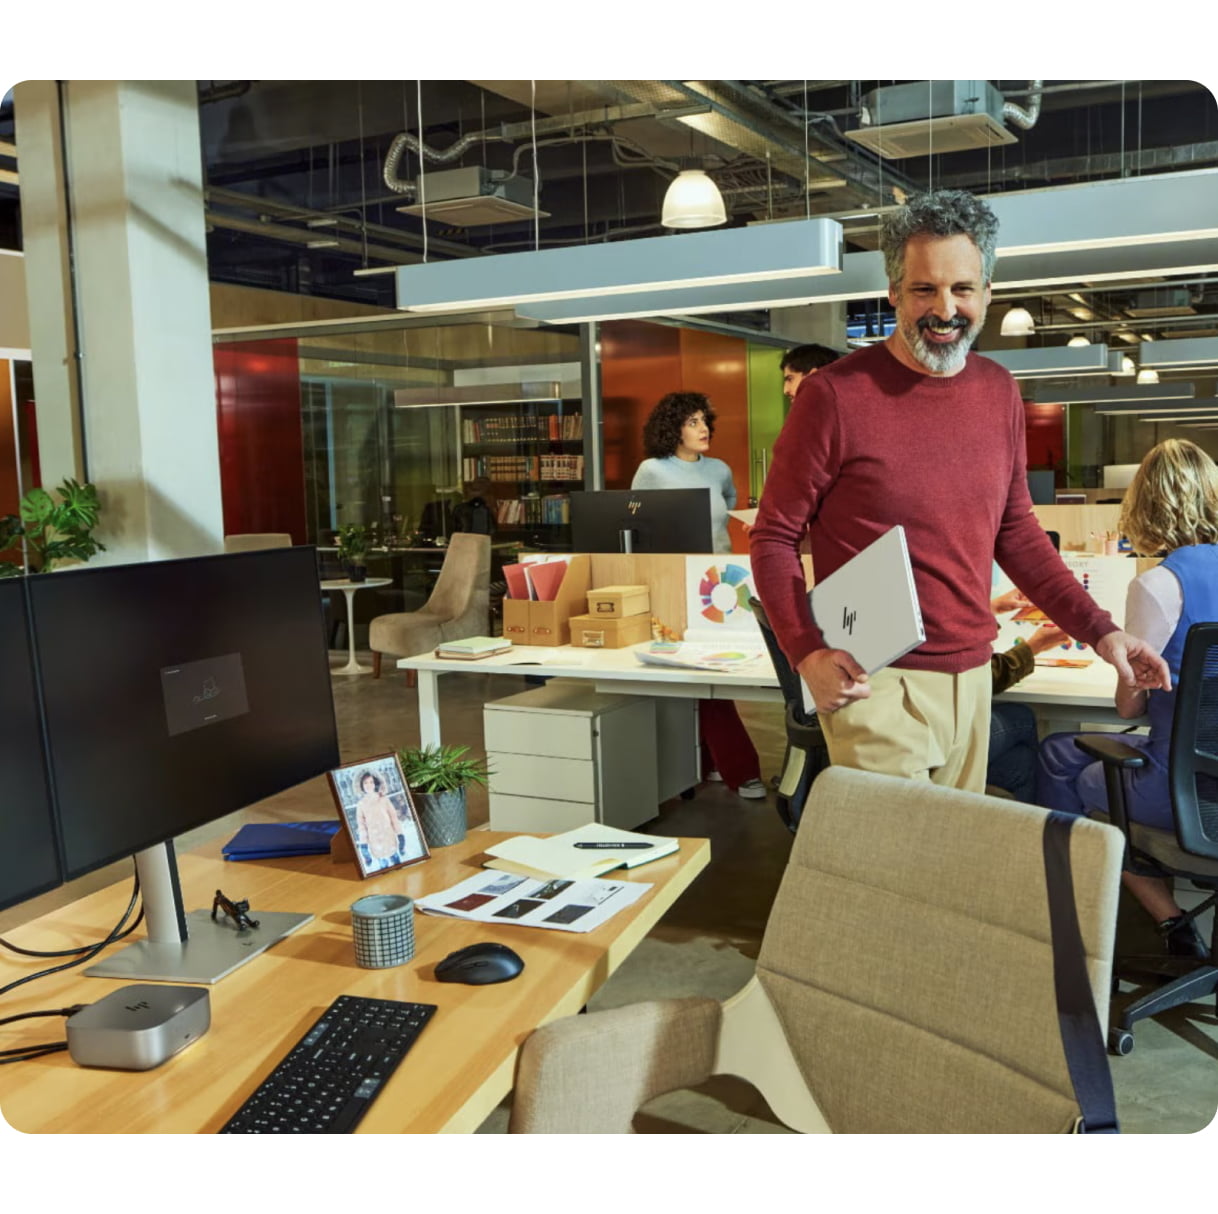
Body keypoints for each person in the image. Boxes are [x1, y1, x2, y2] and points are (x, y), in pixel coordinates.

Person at [749, 187, 1170, 793]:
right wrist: (806, 653)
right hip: (873, 676)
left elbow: (1017, 533)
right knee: (893, 874)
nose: (944, 308)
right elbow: (773, 537)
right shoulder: (835, 396)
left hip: (973, 675)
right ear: (894, 292)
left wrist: (1103, 632)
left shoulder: (999, 392)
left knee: (946, 872)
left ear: (988, 294)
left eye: (962, 289)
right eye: (924, 289)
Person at [1036, 438, 1218, 959]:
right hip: (1212, 781)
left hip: (1182, 792)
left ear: (1146, 504)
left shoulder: (1160, 585)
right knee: (1065, 752)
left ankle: (1097, 924)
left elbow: (1130, 708)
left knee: (1065, 765)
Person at [631, 392, 766, 800]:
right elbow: (634, 520)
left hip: (719, 580)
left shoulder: (720, 469)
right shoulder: (651, 470)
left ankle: (712, 764)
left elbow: (726, 504)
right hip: (675, 580)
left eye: (704, 420)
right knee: (697, 675)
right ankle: (737, 769)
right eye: (692, 422)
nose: (703, 428)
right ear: (672, 428)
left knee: (710, 673)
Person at [986, 588, 1069, 801]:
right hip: (936, 726)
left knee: (1022, 761)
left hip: (912, 718)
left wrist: (991, 608)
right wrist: (1034, 647)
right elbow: (985, 678)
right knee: (1021, 717)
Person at [354, 769, 406, 870]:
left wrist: (400, 834)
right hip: (375, 842)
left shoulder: (384, 799)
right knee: (384, 867)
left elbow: (393, 818)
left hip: (389, 838)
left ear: (375, 783)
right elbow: (362, 826)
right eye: (365, 783)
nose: (368, 785)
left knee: (397, 863)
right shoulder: (361, 805)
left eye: (371, 782)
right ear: (361, 785)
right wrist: (364, 844)